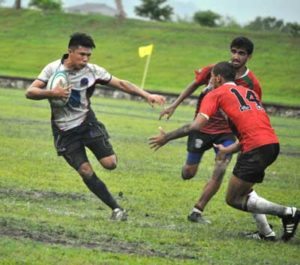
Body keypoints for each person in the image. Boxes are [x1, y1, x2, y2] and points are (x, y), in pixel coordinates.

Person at [149, 61, 299, 242]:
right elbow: (249, 127)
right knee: (246, 190)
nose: (209, 80)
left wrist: (167, 137)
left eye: (211, 76)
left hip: (254, 148)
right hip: (270, 144)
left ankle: (288, 213)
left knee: (234, 199)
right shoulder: (248, 92)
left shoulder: (216, 94)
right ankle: (266, 232)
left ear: (217, 77)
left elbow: (196, 125)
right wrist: (229, 148)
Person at [26, 32, 165, 221]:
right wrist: (52, 92)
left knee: (111, 164)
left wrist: (147, 95)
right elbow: (30, 91)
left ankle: (103, 148)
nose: (85, 59)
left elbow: (121, 83)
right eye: (82, 54)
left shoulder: (92, 70)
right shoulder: (53, 69)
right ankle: (116, 209)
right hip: (64, 131)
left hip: (87, 123)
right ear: (70, 51)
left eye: (88, 55)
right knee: (85, 171)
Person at [159, 36, 273, 240]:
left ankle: (197, 210)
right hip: (202, 128)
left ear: (249, 56)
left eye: (241, 53)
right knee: (188, 173)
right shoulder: (217, 70)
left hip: (226, 132)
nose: (236, 56)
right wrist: (174, 105)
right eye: (234, 51)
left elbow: (254, 108)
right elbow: (193, 84)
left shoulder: (252, 83)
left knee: (220, 167)